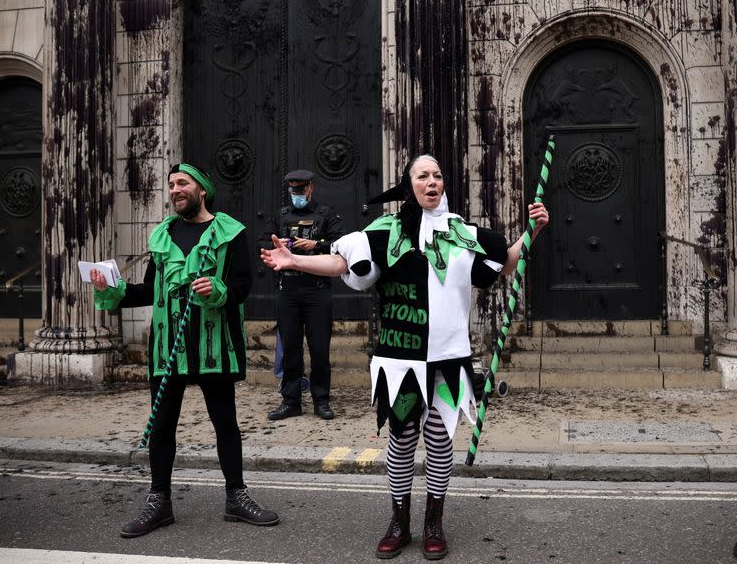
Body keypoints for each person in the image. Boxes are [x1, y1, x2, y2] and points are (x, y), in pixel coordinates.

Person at [260, 155, 549, 560]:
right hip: (401, 364)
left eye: (437, 175)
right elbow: (342, 261)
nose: (432, 181)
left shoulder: (464, 233)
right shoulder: (388, 230)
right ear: (408, 184)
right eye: (422, 175)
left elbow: (503, 265)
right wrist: (295, 261)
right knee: (402, 437)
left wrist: (532, 231)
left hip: (449, 362)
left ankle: (434, 521)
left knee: (439, 438)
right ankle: (399, 521)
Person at [92, 162, 279, 538]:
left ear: (201, 190)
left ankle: (236, 497)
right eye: (172, 184)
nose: (175, 189)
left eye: (183, 184)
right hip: (167, 348)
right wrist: (110, 289)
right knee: (162, 427)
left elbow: (243, 286)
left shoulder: (230, 232)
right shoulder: (163, 235)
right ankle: (159, 502)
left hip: (214, 346)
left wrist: (219, 290)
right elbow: (150, 291)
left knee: (225, 423)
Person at [257, 169, 346, 421]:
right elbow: (263, 242)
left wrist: (316, 244)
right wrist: (278, 247)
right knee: (291, 349)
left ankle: (321, 401)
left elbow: (343, 243)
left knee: (319, 349)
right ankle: (291, 401)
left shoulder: (326, 214)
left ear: (311, 188)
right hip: (289, 291)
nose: (297, 194)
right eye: (292, 190)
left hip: (317, 292)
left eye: (301, 189)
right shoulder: (281, 215)